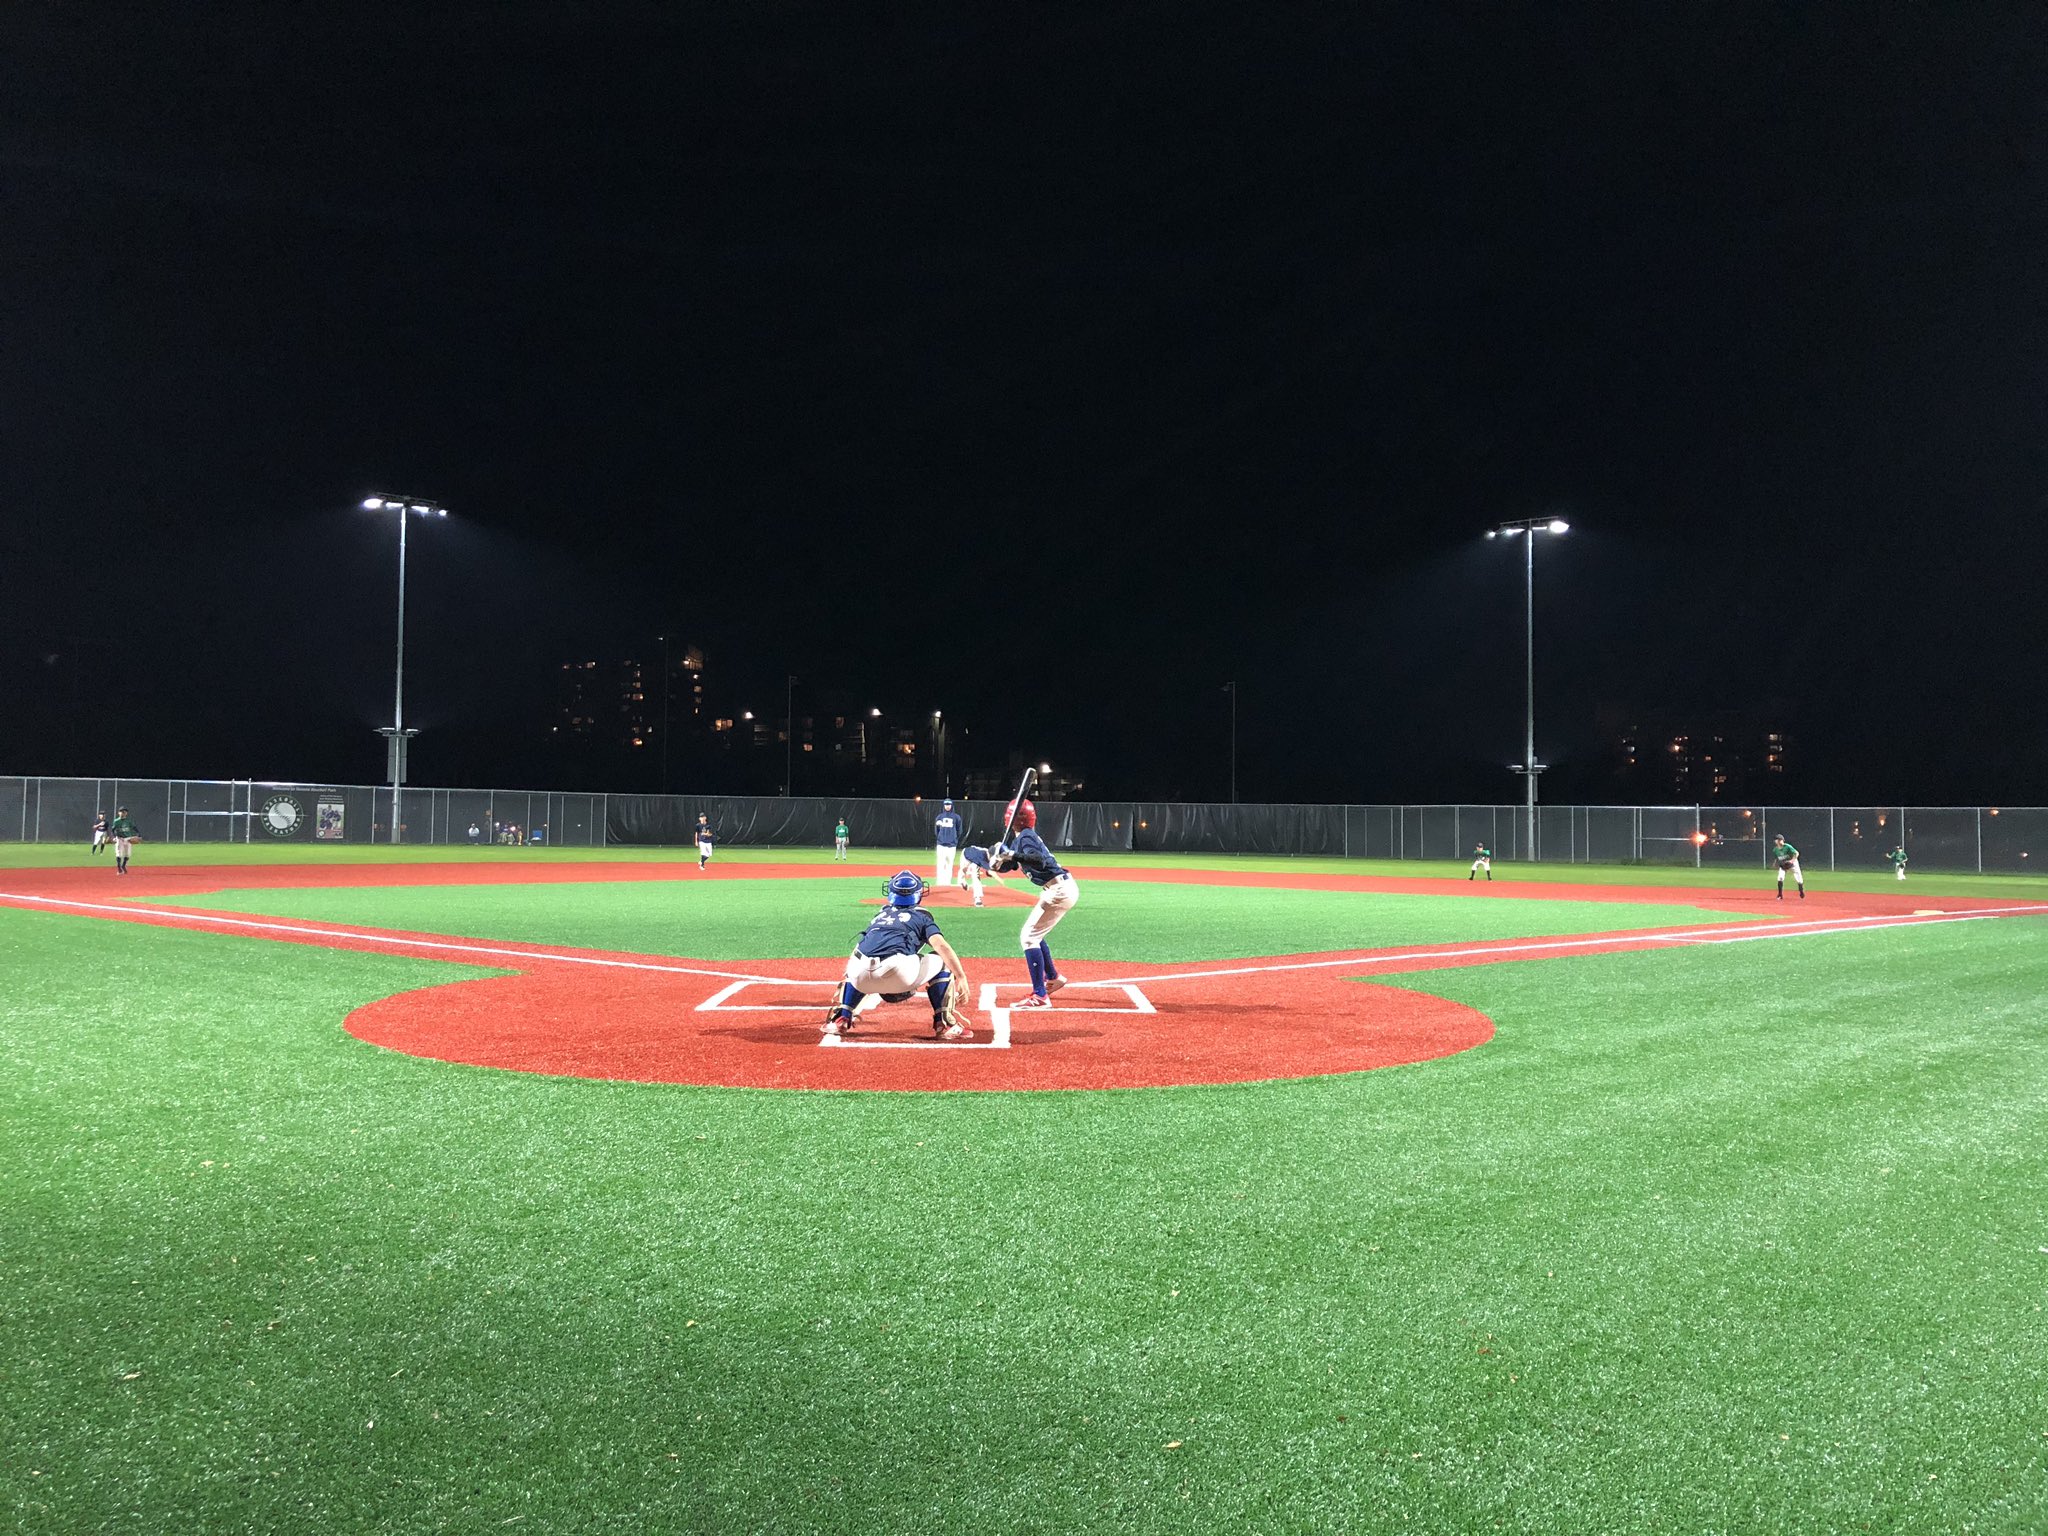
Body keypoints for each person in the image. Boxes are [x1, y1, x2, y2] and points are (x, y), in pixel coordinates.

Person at [823, 870, 972, 1041]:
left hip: (858, 977)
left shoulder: (879, 915)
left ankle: (841, 1017)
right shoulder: (922, 916)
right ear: (917, 894)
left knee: (858, 955)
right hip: (897, 972)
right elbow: (941, 945)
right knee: (942, 961)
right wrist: (961, 977)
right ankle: (945, 1024)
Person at [989, 825, 1078, 1008]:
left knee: (1029, 937)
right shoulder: (1021, 838)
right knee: (1035, 935)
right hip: (1058, 888)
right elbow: (1012, 865)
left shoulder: (1026, 836)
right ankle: (1053, 978)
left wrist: (1011, 854)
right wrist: (995, 862)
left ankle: (1040, 995)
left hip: (1059, 889)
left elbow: (1039, 861)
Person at [958, 843, 1012, 908]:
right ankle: (962, 881)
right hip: (966, 855)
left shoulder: (989, 853)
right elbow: (991, 872)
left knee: (976, 875)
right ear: (989, 854)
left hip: (975, 858)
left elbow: (997, 844)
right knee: (963, 870)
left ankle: (977, 899)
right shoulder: (982, 857)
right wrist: (1000, 880)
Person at [933, 798, 963, 886]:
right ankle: (940, 882)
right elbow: (936, 830)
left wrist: (954, 839)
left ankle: (947, 882)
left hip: (952, 845)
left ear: (952, 805)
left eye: (949, 804)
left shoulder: (957, 817)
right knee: (940, 864)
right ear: (943, 805)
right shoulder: (939, 817)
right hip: (941, 845)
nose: (947, 806)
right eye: (946, 804)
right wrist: (940, 838)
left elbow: (959, 830)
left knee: (950, 865)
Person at [107, 805, 141, 876]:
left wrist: (139, 834)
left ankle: (123, 865)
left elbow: (134, 827)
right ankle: (119, 868)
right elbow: (113, 829)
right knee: (119, 853)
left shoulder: (129, 821)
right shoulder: (116, 821)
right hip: (120, 838)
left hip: (128, 839)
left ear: (126, 813)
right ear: (118, 813)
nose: (123, 813)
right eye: (121, 812)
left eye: (124, 812)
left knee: (128, 854)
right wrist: (113, 836)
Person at [1772, 834, 1805, 899]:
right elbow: (1776, 858)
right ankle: (1780, 894)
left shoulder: (1787, 847)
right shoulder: (1775, 850)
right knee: (1780, 878)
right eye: (1778, 840)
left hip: (1793, 864)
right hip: (1783, 865)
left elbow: (1796, 853)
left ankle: (1801, 891)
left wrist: (1792, 861)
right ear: (1776, 841)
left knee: (1799, 878)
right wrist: (1775, 863)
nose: (1780, 841)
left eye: (1781, 840)